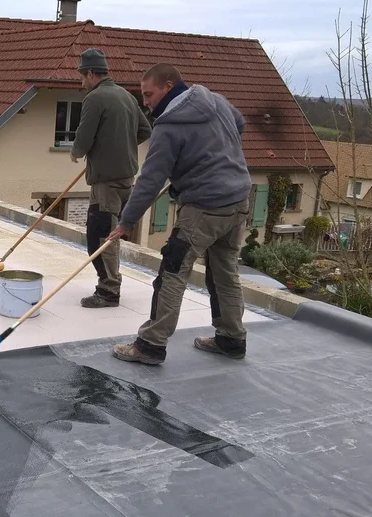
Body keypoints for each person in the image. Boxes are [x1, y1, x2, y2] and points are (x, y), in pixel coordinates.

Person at [105, 62, 253, 365]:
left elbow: (149, 180)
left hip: (204, 207)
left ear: (168, 86)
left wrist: (126, 222)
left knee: (172, 272)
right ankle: (232, 339)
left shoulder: (169, 126)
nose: (145, 102)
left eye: (149, 94)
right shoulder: (215, 99)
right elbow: (239, 124)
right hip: (239, 199)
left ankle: (150, 345)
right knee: (225, 272)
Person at [69, 48, 152, 308]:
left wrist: (77, 153)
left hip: (106, 181)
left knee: (101, 236)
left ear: (91, 73)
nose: (82, 83)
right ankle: (109, 286)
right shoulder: (127, 96)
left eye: (83, 77)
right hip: (126, 177)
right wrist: (118, 146)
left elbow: (85, 135)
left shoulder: (95, 98)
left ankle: (108, 291)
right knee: (107, 232)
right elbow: (145, 130)